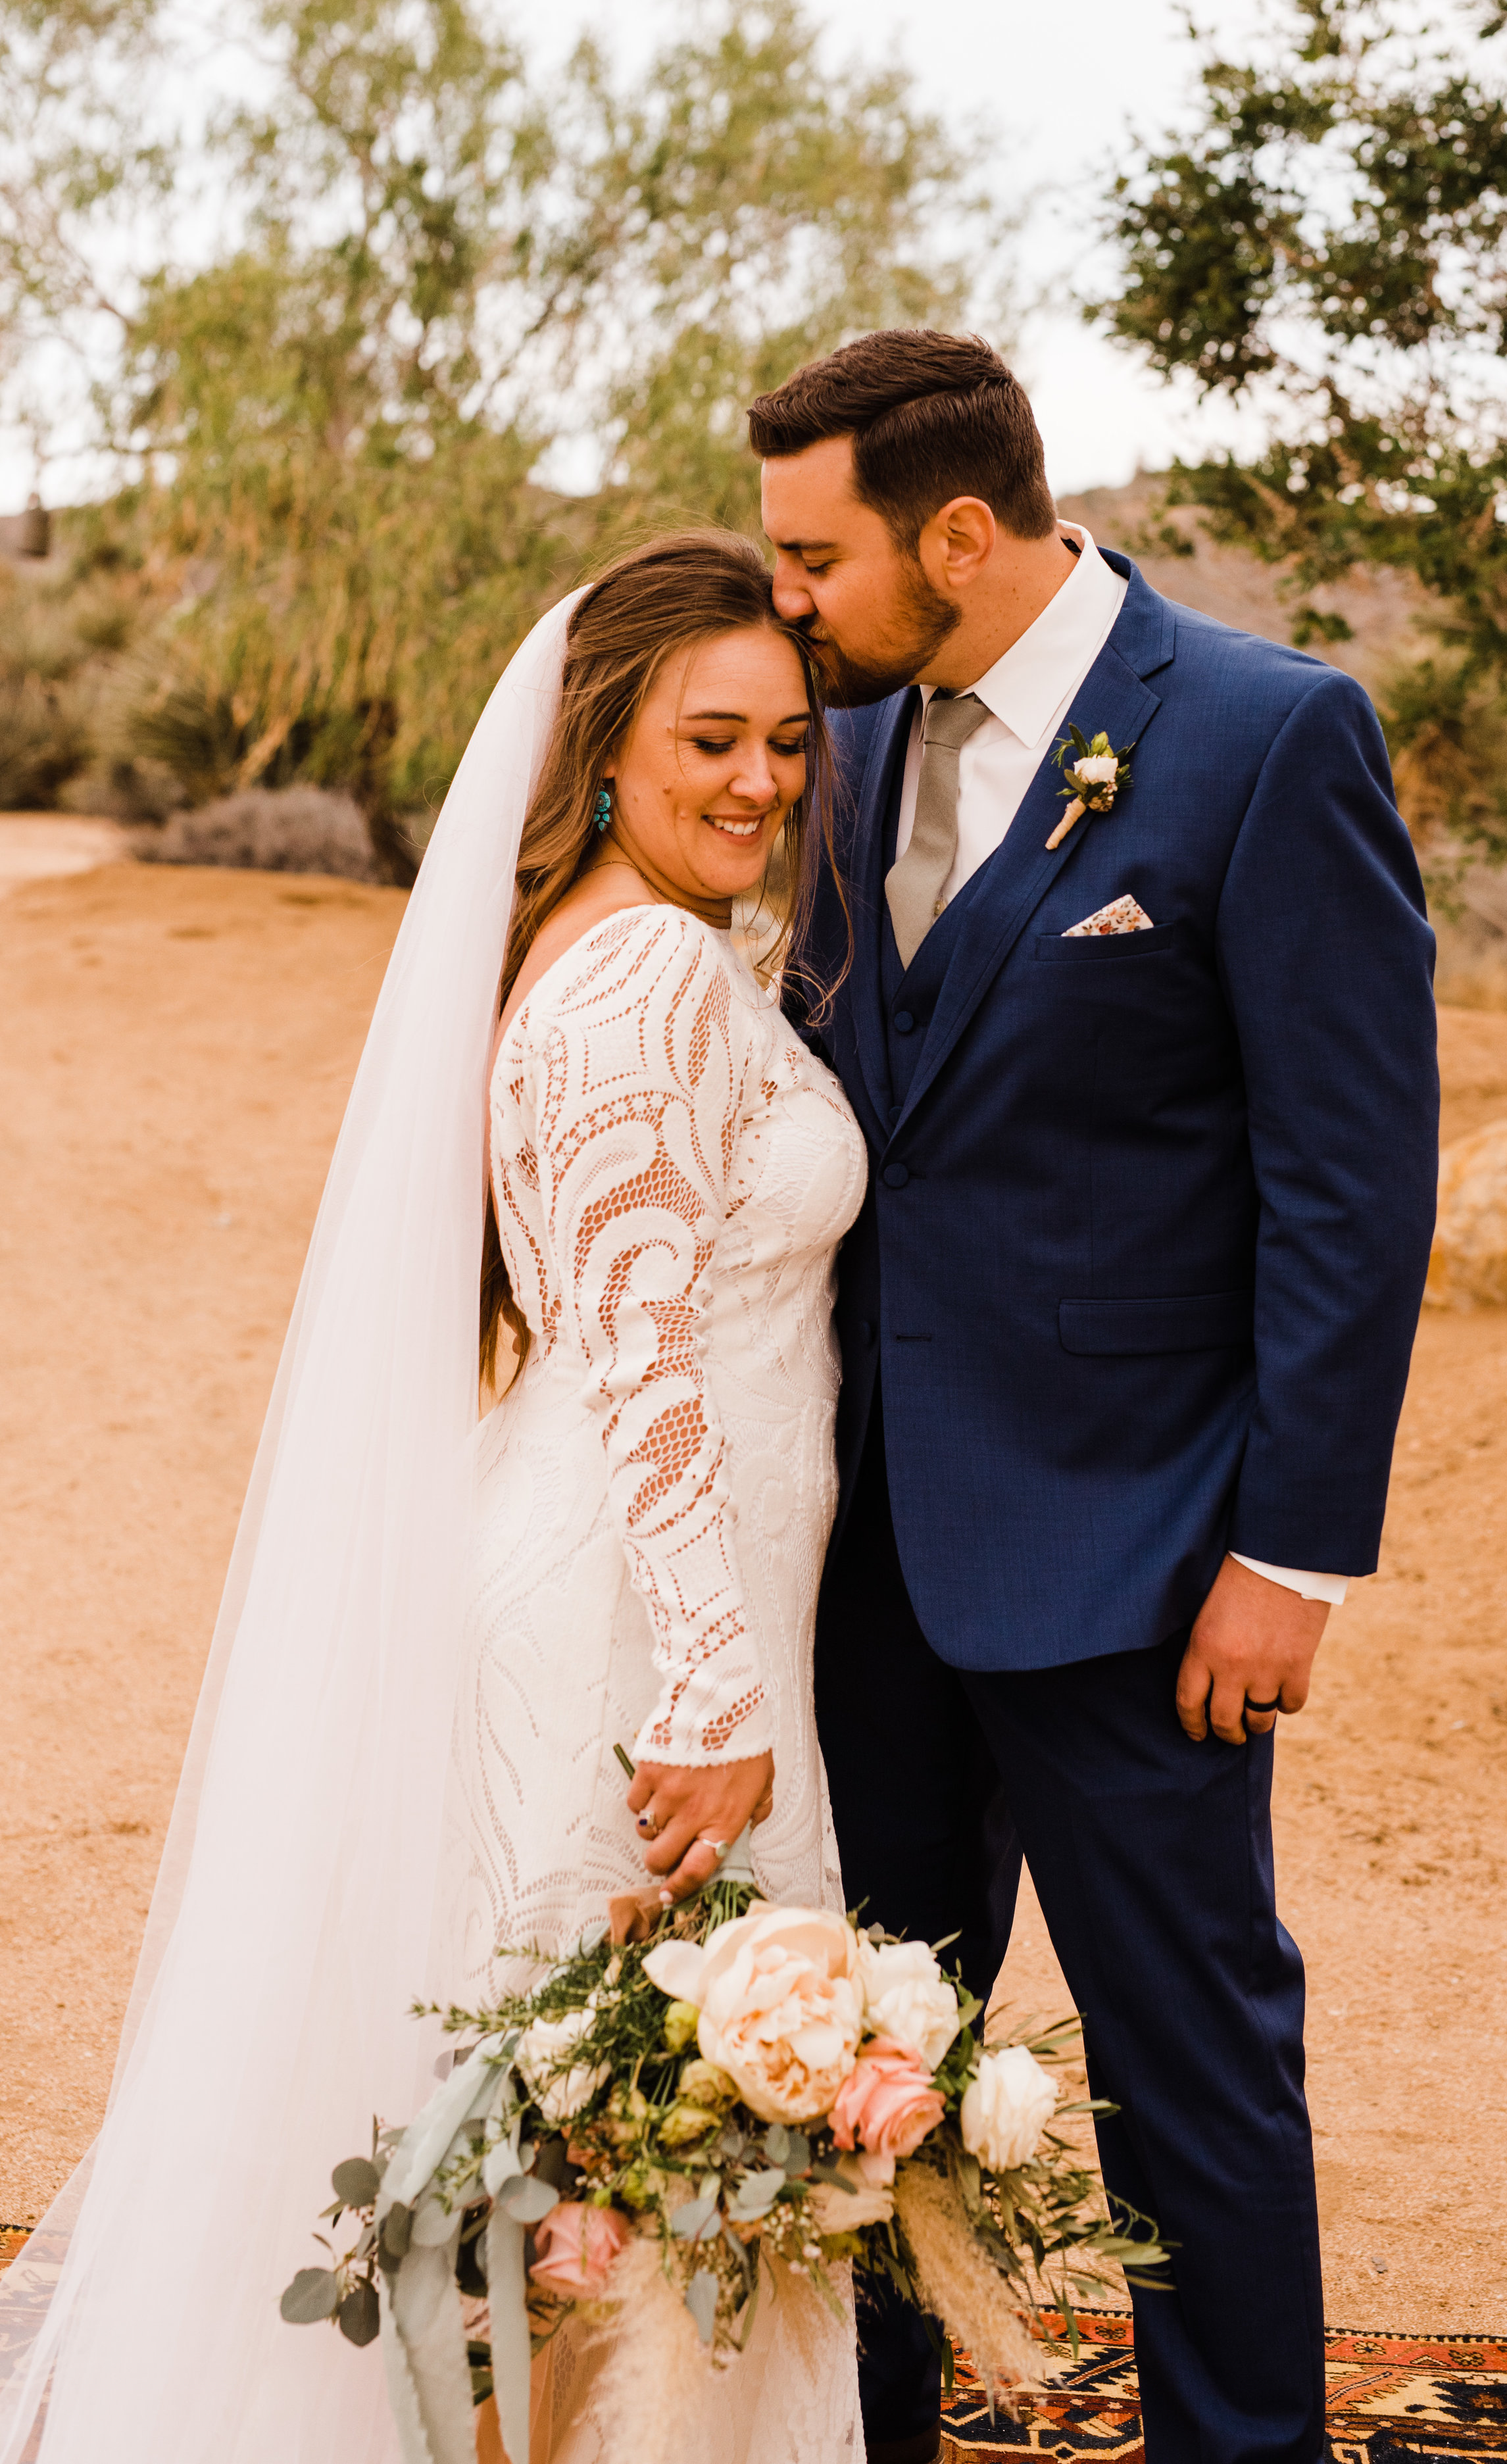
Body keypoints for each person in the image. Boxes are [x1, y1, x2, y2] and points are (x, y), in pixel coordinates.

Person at [0, 531, 867, 2464]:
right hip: (644, 1631)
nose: (755, 782)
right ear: (604, 742)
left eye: (787, 746)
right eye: (709, 739)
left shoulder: (617, 940)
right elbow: (640, 1353)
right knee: (592, 2152)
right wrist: (713, 1700)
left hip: (659, 1591)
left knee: (589, 2149)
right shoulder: (636, 964)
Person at [749, 330, 1440, 2464]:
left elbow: (1351, 1181)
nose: (786, 606)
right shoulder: (846, 753)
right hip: (862, 1549)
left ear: (956, 534)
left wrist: (1290, 1552)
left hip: (1145, 1565)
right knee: (849, 2067)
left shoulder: (1260, 737)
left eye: (812, 558)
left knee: (1192, 2070)